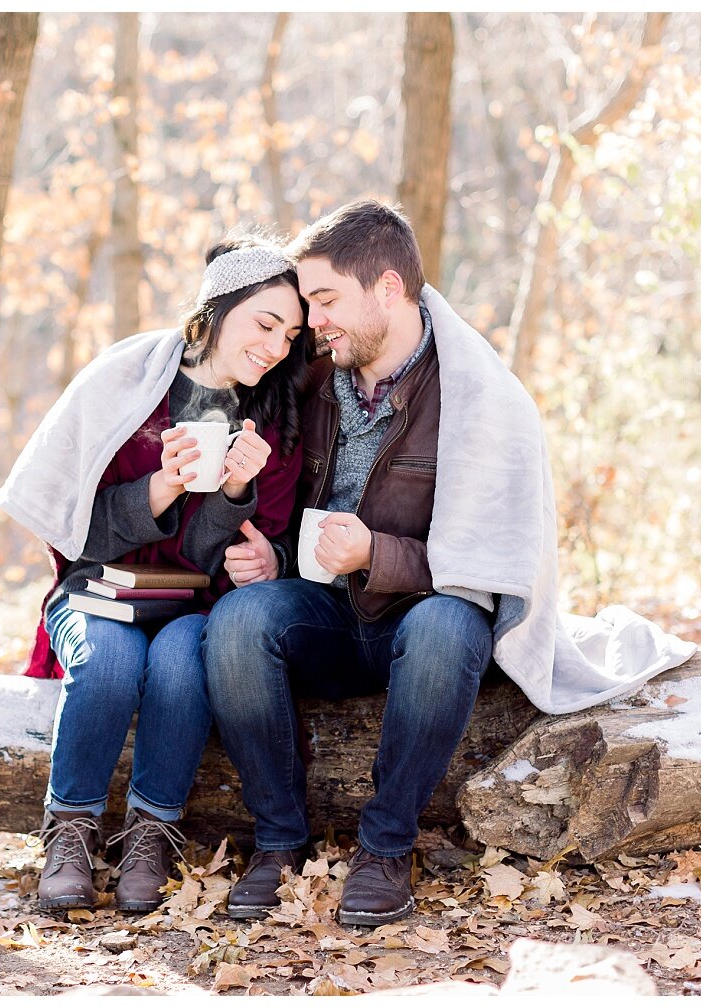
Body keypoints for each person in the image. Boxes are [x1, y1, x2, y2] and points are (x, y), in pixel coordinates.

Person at [0, 235, 308, 914]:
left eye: (291, 333)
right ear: (216, 310)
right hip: (97, 590)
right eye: (264, 323)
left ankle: (150, 833)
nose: (277, 345)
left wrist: (232, 496)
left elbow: (211, 560)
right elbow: (75, 533)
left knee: (179, 670)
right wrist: (160, 488)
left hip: (191, 606)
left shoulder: (272, 423)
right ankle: (70, 832)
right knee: (107, 667)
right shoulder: (128, 383)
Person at [206, 201, 495, 927]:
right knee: (239, 621)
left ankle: (385, 848)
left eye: (327, 299)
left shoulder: (472, 390)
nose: (316, 319)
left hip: (419, 619)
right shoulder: (309, 378)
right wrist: (270, 549)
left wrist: (377, 553)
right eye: (310, 303)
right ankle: (278, 844)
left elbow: (495, 558)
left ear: (389, 290)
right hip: (328, 614)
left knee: (451, 625)